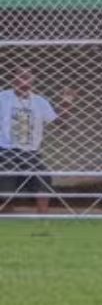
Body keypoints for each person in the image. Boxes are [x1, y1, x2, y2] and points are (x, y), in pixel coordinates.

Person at [0, 68, 62, 215]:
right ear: (14, 78)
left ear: (33, 79)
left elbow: (60, 124)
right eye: (21, 75)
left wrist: (66, 103)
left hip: (31, 151)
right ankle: (6, 218)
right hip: (6, 149)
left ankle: (43, 221)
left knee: (43, 180)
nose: (24, 79)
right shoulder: (3, 97)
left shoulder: (40, 102)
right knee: (6, 186)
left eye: (28, 76)